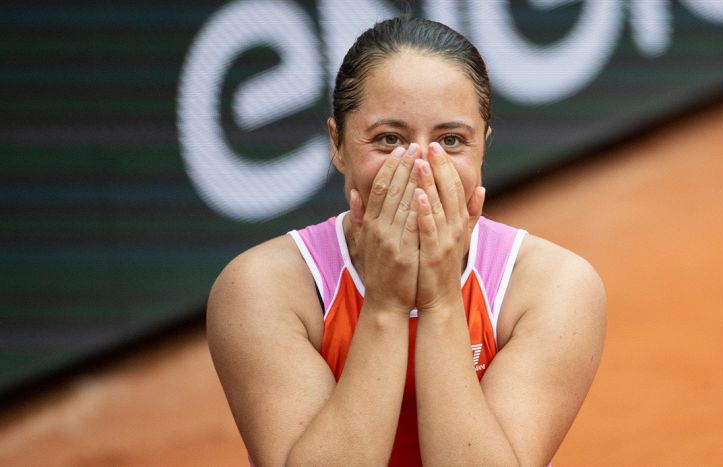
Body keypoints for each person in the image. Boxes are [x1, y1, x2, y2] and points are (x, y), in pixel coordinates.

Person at [207, 16, 606, 467]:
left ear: (483, 149)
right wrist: (386, 304)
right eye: (389, 139)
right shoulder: (260, 288)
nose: (419, 168)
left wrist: (438, 301)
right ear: (337, 144)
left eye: (451, 140)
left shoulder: (554, 286)